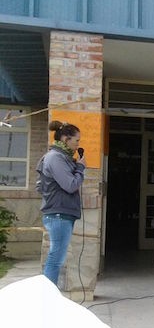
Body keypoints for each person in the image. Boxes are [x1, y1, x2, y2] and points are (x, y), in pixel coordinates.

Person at [36, 121, 85, 285]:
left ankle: (49, 296)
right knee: (56, 258)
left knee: (56, 257)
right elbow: (71, 185)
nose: (78, 144)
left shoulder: (60, 157)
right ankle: (49, 298)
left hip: (60, 213)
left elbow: (40, 185)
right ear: (65, 138)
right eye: (76, 140)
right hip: (58, 215)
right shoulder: (55, 158)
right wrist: (80, 169)